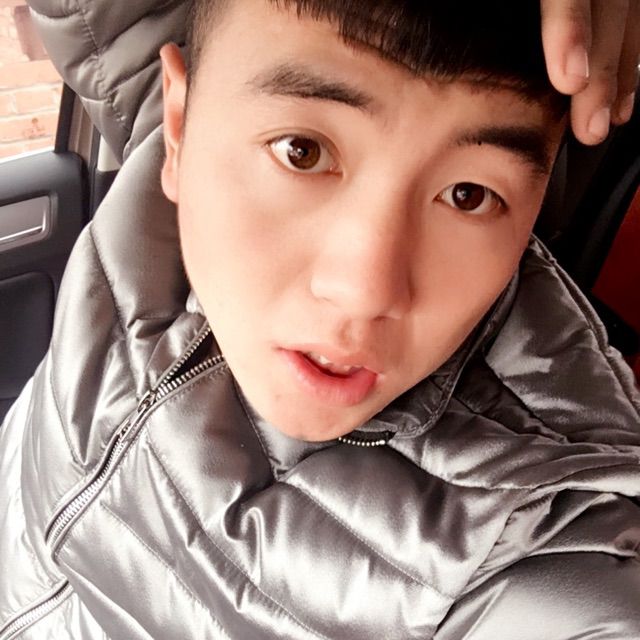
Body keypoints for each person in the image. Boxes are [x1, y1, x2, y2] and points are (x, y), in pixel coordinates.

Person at [1, 1, 639, 638]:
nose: (364, 291)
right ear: (178, 128)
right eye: (302, 153)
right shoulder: (179, 176)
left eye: (468, 196)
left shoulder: (542, 553)